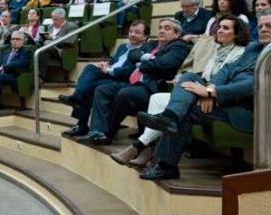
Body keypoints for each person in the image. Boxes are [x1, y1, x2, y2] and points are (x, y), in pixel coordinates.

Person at [138, 9, 271, 180]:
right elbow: (228, 69)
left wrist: (212, 92)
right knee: (189, 77)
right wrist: (209, 89)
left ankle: (166, 163)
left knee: (186, 110)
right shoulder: (255, 47)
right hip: (229, 102)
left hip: (252, 112)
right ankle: (169, 121)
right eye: (260, 26)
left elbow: (256, 85)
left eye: (268, 26)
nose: (263, 29)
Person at [112, 16, 250, 167]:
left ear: (237, 34)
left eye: (225, 28)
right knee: (158, 98)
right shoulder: (218, 51)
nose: (219, 30)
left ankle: (140, 147)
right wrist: (204, 90)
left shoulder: (241, 53)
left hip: (222, 100)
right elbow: (207, 77)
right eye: (219, 27)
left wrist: (209, 93)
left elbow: (230, 82)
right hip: (205, 93)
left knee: (181, 97)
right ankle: (150, 145)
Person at [78, 18, 189, 144]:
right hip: (134, 83)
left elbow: (163, 64)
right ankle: (97, 131)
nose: (162, 31)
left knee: (125, 94)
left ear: (177, 34)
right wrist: (144, 57)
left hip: (151, 87)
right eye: (160, 27)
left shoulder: (178, 47)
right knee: (102, 89)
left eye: (167, 28)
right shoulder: (152, 44)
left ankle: (107, 134)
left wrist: (141, 64)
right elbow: (133, 55)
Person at [60, 20, 150, 137]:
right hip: (110, 73)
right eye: (131, 31)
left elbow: (130, 71)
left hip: (122, 80)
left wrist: (109, 70)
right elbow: (115, 62)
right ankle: (77, 97)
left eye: (137, 32)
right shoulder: (123, 46)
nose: (132, 34)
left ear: (146, 36)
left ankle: (82, 121)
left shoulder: (144, 51)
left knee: (92, 86)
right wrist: (106, 64)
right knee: (90, 68)